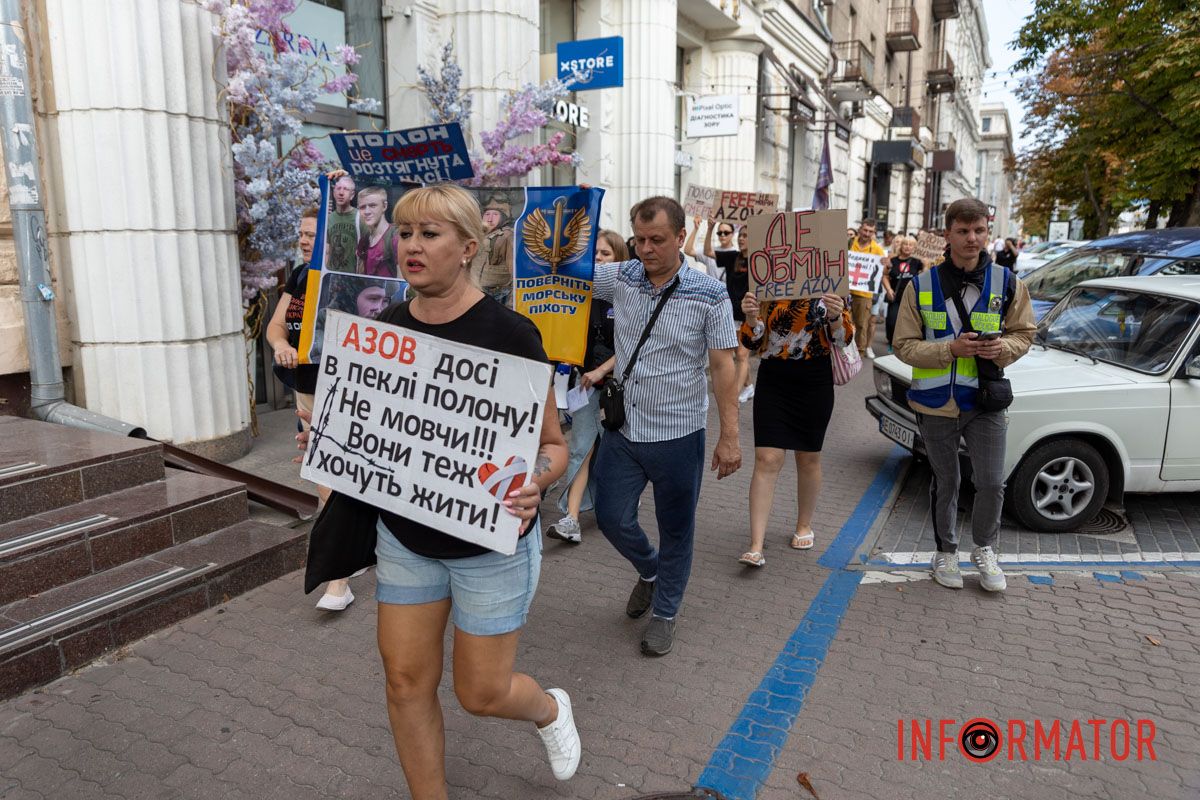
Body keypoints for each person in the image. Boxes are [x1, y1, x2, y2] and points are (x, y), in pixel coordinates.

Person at [301, 184, 579, 795]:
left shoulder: (511, 334)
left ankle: (549, 710)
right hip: (406, 540)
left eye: (430, 234)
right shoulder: (379, 333)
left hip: (489, 547)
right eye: (404, 234)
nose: (412, 247)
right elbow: (372, 433)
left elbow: (554, 445)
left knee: (482, 694)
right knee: (404, 683)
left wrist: (536, 481)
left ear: (468, 247)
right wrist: (332, 440)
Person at [591, 196, 742, 657]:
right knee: (611, 517)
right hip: (624, 429)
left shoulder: (710, 293)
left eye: (657, 240)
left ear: (681, 238)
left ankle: (666, 612)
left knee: (677, 528)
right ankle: (651, 571)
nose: (645, 249)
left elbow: (722, 367)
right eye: (639, 239)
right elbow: (562, 275)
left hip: (679, 434)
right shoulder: (622, 277)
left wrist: (730, 436)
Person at [893, 198, 1037, 593]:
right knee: (947, 480)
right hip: (934, 402)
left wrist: (1002, 349)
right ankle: (946, 551)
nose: (971, 239)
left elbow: (1024, 334)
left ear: (987, 232)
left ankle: (985, 548)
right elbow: (902, 345)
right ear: (948, 234)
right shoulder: (919, 286)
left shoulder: (1008, 282)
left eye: (979, 231)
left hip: (986, 401)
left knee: (991, 482)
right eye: (963, 231)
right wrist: (948, 350)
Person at [266, 210, 359, 610]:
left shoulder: (348, 277)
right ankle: (350, 554)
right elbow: (275, 327)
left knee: (328, 470)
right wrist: (281, 346)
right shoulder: (301, 276)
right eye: (301, 234)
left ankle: (337, 577)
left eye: (312, 235)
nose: (304, 241)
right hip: (306, 386)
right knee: (326, 473)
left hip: (342, 386)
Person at [735, 291, 854, 567]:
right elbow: (750, 341)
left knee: (808, 456)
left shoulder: (831, 283)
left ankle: (804, 525)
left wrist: (836, 315)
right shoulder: (767, 279)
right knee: (767, 458)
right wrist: (751, 317)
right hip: (774, 378)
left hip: (815, 379)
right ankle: (755, 544)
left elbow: (845, 338)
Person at [545, 230, 626, 544]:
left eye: (605, 254)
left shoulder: (627, 296)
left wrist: (602, 370)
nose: (598, 260)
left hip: (618, 388)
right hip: (584, 385)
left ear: (619, 259)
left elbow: (631, 345)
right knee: (582, 448)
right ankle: (571, 518)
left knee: (616, 451)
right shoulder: (576, 295)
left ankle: (621, 503)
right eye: (594, 255)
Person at [705, 225, 755, 402]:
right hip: (731, 313)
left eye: (746, 235)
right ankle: (748, 387)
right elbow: (708, 251)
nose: (741, 239)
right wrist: (710, 228)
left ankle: (733, 396)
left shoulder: (759, 261)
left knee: (741, 356)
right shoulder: (733, 257)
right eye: (740, 235)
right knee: (738, 355)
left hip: (749, 315)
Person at [849, 219, 886, 359]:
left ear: (874, 233)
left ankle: (859, 352)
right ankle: (842, 350)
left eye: (871, 231)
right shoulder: (849, 242)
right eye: (865, 230)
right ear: (860, 229)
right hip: (845, 290)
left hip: (864, 293)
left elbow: (883, 272)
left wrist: (885, 265)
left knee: (861, 324)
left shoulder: (877, 249)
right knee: (843, 321)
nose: (867, 233)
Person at [474, 192, 515, 305]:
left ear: (503, 218)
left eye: (495, 215)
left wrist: (512, 300)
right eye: (487, 214)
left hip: (498, 293)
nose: (490, 219)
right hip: (477, 290)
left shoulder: (507, 236)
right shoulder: (477, 235)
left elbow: (514, 270)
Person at [883, 235, 924, 345]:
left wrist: (926, 262)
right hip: (896, 296)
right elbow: (885, 276)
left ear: (914, 247)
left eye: (911, 245)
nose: (907, 247)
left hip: (912, 298)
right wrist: (888, 289)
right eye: (905, 244)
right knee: (892, 322)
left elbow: (925, 274)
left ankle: (905, 344)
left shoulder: (918, 262)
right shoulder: (892, 260)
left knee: (910, 323)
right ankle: (891, 341)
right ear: (901, 246)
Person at [355, 186, 400, 278]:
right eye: (362, 207)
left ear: (384, 206)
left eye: (372, 205)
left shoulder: (396, 237)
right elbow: (360, 278)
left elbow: (403, 284)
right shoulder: (364, 240)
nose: (367, 211)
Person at [325, 174, 360, 273]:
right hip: (331, 274)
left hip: (352, 275)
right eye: (338, 188)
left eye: (345, 189)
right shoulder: (329, 218)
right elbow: (327, 251)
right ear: (333, 191)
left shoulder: (360, 217)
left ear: (352, 195)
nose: (341, 193)